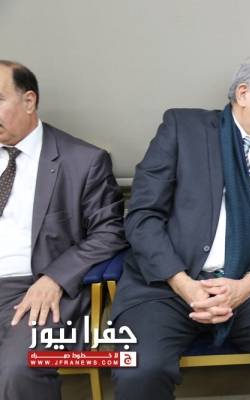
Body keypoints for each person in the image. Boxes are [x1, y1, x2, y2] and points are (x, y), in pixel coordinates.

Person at [111, 57, 250, 400]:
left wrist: (247, 285)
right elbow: (143, 216)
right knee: (141, 366)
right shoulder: (183, 129)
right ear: (243, 93)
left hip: (246, 285)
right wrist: (183, 283)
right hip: (167, 285)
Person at [0, 60, 127, 399]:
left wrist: (55, 278)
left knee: (18, 368)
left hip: (35, 287)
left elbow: (110, 231)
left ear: (29, 101)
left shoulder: (83, 160)